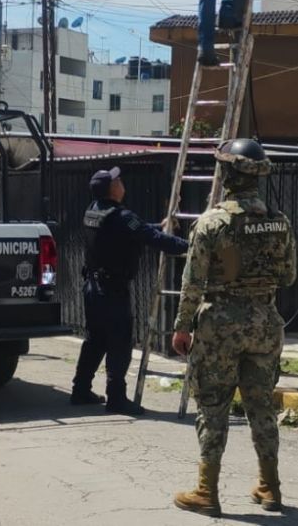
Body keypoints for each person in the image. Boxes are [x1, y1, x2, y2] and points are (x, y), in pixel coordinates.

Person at [171, 139, 296, 517]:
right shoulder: (280, 221)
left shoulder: (211, 223)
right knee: (262, 408)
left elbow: (192, 283)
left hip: (220, 326)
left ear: (226, 174)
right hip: (265, 324)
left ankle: (207, 492)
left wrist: (182, 327)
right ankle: (270, 487)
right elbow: (289, 276)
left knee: (213, 407)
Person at [72, 167, 188, 415]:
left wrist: (160, 225)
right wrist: (192, 245)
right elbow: (155, 240)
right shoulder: (122, 217)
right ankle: (116, 398)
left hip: (92, 288)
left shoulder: (94, 210)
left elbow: (138, 228)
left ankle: (80, 390)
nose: (122, 182)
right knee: (119, 342)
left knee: (95, 340)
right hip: (112, 290)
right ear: (112, 189)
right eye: (118, 180)